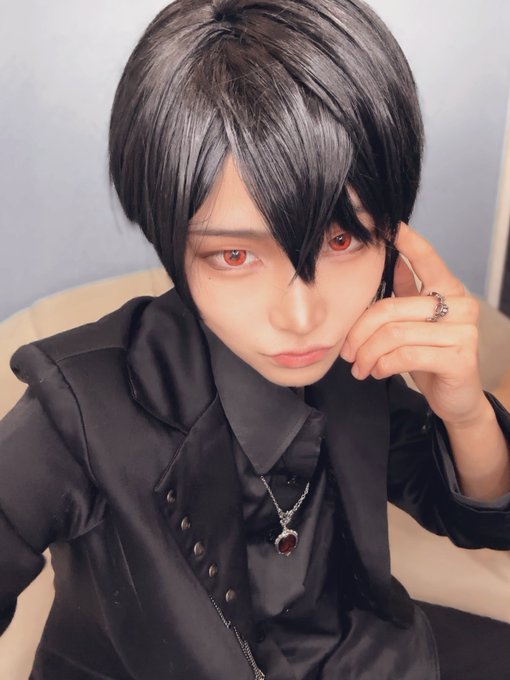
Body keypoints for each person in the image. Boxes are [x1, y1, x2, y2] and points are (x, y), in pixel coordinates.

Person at [1, 1, 510, 678]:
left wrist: (464, 411)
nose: (302, 317)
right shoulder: (79, 411)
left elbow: (477, 518)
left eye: (341, 239)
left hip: (357, 656)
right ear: (172, 243)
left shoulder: (358, 360)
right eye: (234, 256)